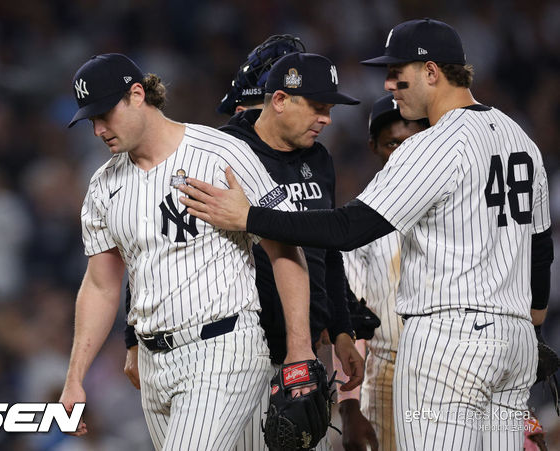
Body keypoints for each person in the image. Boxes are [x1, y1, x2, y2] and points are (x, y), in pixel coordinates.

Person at [177, 19, 554, 451]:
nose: (390, 84)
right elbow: (540, 249)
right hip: (515, 344)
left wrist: (250, 216)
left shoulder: (434, 144)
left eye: (399, 73)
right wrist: (533, 319)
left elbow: (347, 229)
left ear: (432, 72)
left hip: (450, 348)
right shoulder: (518, 136)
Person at [58, 53, 317, 451]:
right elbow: (100, 285)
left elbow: (285, 248)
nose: (97, 130)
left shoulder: (219, 153)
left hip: (223, 346)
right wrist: (75, 376)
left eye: (104, 114)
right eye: (90, 120)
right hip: (153, 365)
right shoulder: (103, 186)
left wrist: (300, 349)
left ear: (137, 94)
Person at [125, 38, 366, 451]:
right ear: (277, 99)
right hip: (240, 351)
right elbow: (159, 243)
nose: (327, 120)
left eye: (329, 109)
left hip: (303, 352)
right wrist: (132, 338)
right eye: (318, 108)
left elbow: (326, 248)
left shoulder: (319, 159)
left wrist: (342, 329)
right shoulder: (219, 152)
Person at [338, 94, 428, 451]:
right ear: (374, 146)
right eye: (392, 143)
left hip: (453, 363)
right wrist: (349, 407)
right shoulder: (359, 219)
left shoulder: (461, 204)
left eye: (412, 140)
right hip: (386, 372)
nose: (403, 152)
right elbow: (350, 322)